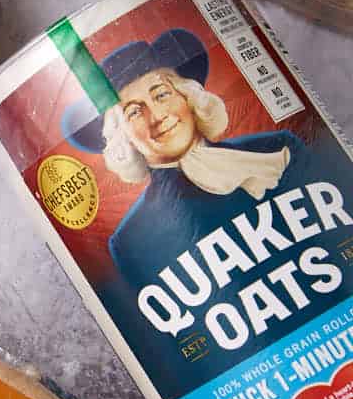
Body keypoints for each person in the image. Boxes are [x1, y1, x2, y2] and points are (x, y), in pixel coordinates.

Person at [60, 27, 309, 295]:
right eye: (134, 112)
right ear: (123, 139)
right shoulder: (133, 240)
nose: (157, 116)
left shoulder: (276, 149)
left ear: (187, 97)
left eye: (162, 94)